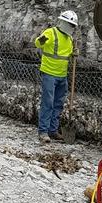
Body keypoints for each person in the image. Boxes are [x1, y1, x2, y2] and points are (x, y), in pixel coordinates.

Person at [33, 10, 77, 143]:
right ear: (63, 22)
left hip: (62, 76)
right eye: (70, 24)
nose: (72, 27)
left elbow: (66, 55)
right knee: (48, 102)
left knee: (58, 104)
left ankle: (53, 130)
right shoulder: (50, 33)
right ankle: (43, 131)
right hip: (49, 73)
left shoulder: (69, 39)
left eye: (73, 25)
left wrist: (74, 53)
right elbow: (38, 43)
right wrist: (42, 39)